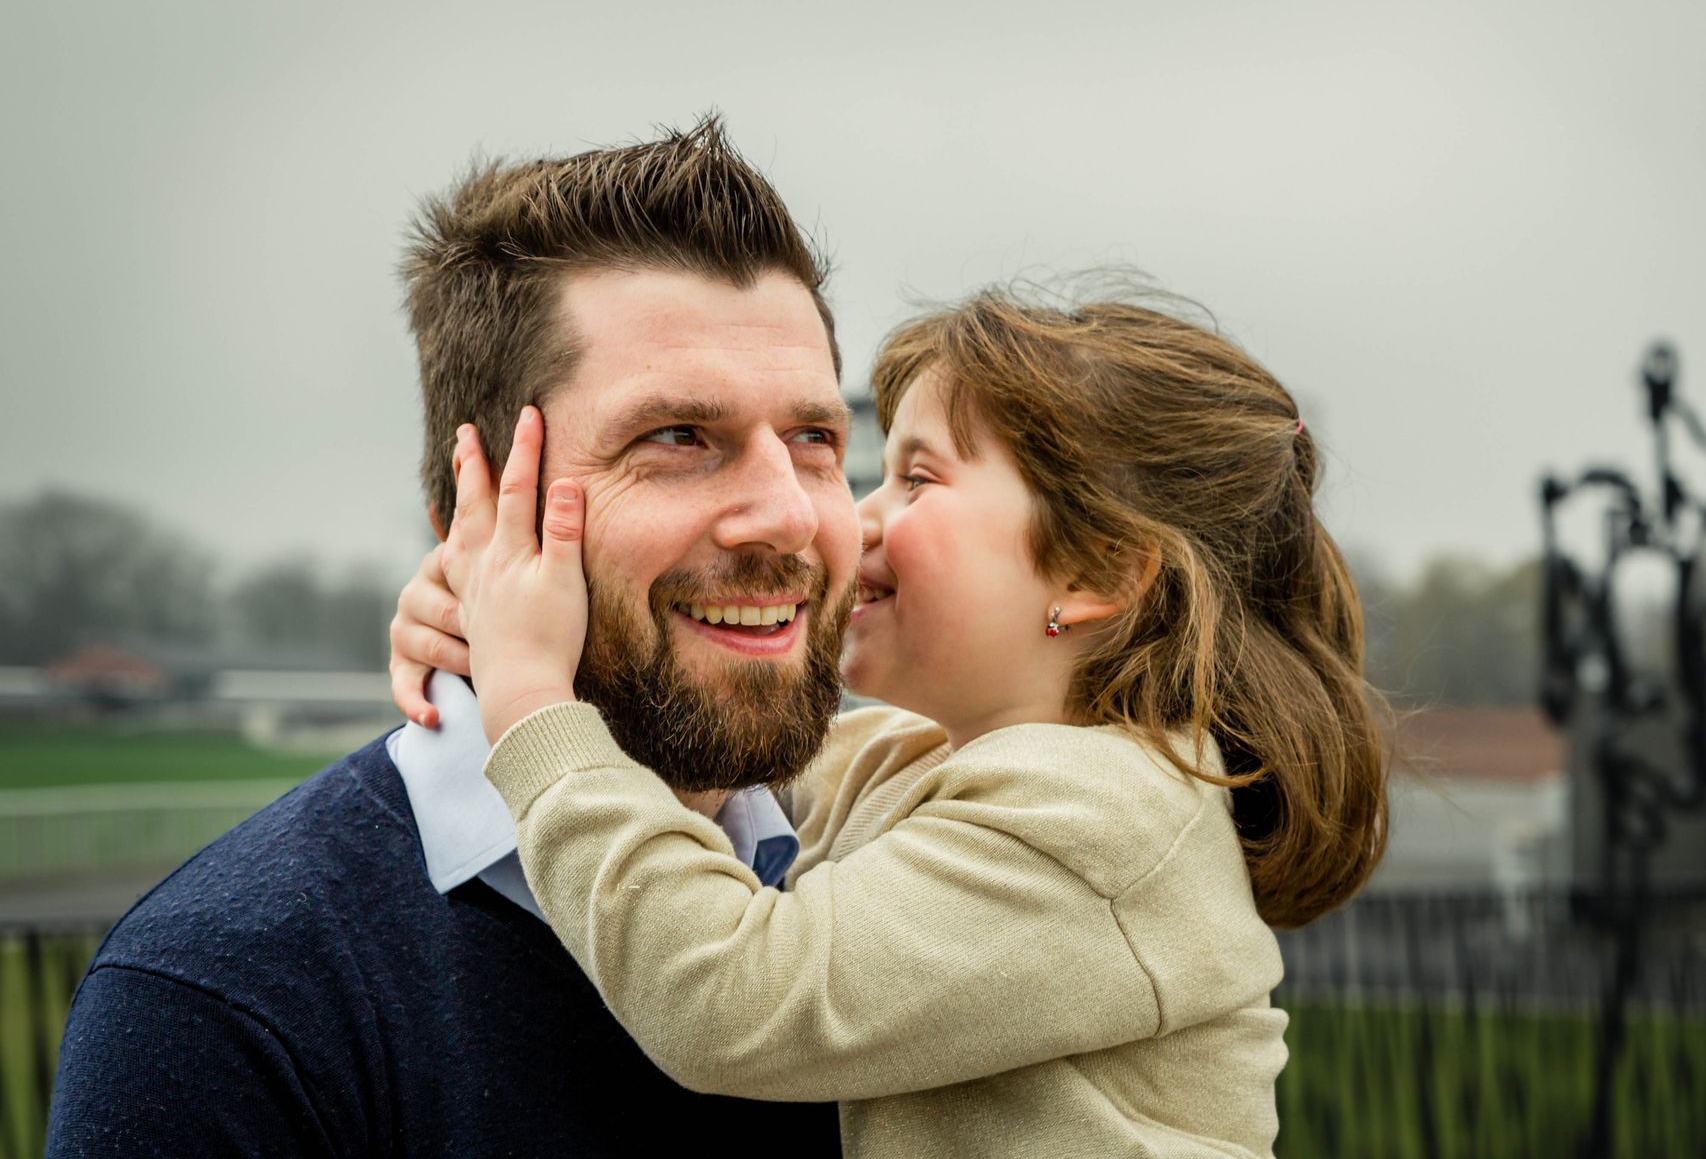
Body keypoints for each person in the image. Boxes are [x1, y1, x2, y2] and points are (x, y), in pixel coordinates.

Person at [390, 287, 1391, 1157]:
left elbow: (731, 998)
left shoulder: (1104, 818)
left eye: (918, 478)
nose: (857, 518)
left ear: (1094, 571)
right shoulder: (917, 761)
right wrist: (499, 611)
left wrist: (529, 694)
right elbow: (692, 755)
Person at [45, 118, 849, 1156]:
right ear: (470, 517)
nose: (787, 514)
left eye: (814, 438)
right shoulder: (221, 999)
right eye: (678, 437)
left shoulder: (913, 867)